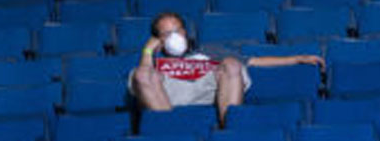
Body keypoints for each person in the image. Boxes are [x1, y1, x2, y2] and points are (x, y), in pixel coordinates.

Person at [128, 11, 325, 125]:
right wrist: (148, 51)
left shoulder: (209, 50)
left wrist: (297, 58)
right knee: (141, 74)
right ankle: (171, 130)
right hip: (167, 95)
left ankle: (230, 128)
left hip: (208, 91)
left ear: (185, 32)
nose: (174, 35)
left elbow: (254, 61)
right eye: (167, 33)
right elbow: (143, 80)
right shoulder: (154, 62)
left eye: (177, 29)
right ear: (158, 39)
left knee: (231, 63)